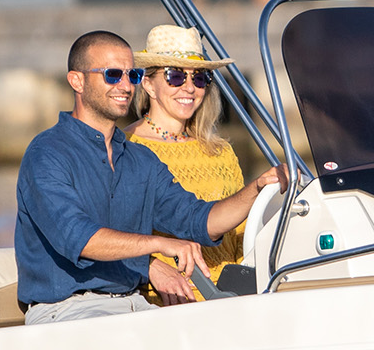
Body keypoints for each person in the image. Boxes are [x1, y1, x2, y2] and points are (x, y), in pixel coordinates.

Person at [14, 30, 281, 324]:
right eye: (112, 75)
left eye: (132, 75)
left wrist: (259, 187)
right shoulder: (47, 152)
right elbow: (79, 238)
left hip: (133, 304)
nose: (125, 85)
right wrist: (158, 246)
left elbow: (198, 219)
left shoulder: (140, 159)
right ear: (77, 81)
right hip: (65, 308)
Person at [125, 24, 248, 299]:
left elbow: (241, 235)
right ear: (148, 84)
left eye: (200, 78)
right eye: (176, 76)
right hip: (167, 298)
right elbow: (110, 232)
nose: (190, 87)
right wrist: (149, 266)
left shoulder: (221, 152)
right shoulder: (126, 147)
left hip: (230, 295)